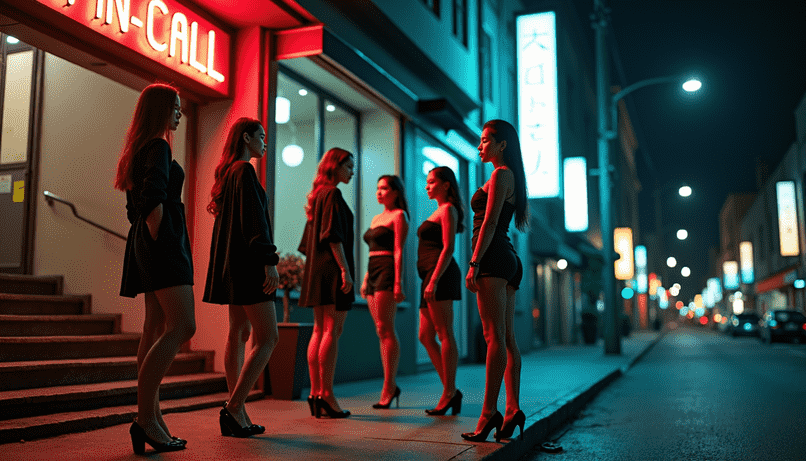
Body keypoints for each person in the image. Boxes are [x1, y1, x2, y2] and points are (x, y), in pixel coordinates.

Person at [116, 83, 195, 454]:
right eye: (175, 106)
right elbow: (153, 200)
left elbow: (140, 203)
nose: (180, 112)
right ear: (161, 109)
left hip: (145, 244)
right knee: (183, 325)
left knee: (156, 326)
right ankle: (146, 418)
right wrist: (162, 240)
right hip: (161, 245)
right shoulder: (159, 146)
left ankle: (151, 415)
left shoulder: (140, 146)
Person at [203, 118, 280, 437]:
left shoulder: (228, 173)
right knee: (268, 337)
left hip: (232, 267)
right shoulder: (245, 171)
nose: (265, 142)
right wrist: (269, 261)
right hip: (250, 266)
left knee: (238, 332)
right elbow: (254, 223)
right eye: (261, 137)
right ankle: (234, 407)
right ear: (246, 138)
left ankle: (238, 409)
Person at [462, 119, 528, 442]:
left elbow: (488, 223)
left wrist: (474, 262)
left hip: (493, 258)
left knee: (494, 338)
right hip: (507, 258)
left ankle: (488, 413)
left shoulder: (501, 175)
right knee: (507, 337)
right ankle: (512, 409)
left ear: (502, 145)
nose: (480, 146)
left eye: (486, 140)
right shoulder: (509, 176)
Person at [298, 148, 356, 419]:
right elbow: (333, 236)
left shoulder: (316, 196)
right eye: (349, 167)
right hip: (333, 269)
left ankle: (315, 392)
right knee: (332, 331)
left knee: (320, 330)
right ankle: (327, 395)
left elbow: (307, 245)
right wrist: (345, 270)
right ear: (335, 166)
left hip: (317, 270)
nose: (352, 172)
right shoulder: (332, 194)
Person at [418, 166, 465, 416]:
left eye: (431, 182)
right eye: (426, 182)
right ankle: (450, 389)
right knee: (425, 335)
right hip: (430, 276)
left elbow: (448, 248)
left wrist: (434, 279)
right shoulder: (438, 210)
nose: (427, 186)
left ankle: (448, 393)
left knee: (444, 332)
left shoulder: (448, 210)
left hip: (441, 275)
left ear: (446, 185)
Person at [361, 175, 409, 409]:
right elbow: (371, 251)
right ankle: (390, 385)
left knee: (385, 327)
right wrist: (365, 277)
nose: (379, 192)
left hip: (388, 270)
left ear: (396, 192)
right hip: (373, 271)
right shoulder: (376, 217)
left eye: (384, 188)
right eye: (377, 188)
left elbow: (399, 250)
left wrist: (399, 282)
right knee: (380, 330)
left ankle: (389, 385)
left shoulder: (399, 216)